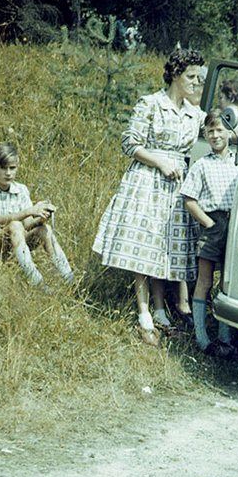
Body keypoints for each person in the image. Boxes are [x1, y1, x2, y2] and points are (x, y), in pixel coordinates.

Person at [92, 49, 206, 345]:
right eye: (191, 77)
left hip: (176, 187)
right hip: (148, 181)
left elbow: (220, 131)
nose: (196, 82)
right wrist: (160, 161)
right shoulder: (152, 104)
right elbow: (130, 143)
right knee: (144, 247)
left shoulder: (194, 112)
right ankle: (144, 314)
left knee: (165, 248)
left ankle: (161, 312)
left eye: (199, 78)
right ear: (176, 75)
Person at [0, 142, 73, 284]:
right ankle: (36, 281)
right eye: (3, 168)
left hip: (14, 240)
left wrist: (41, 217)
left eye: (12, 168)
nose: (8, 173)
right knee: (14, 225)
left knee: (45, 229)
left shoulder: (21, 189)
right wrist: (29, 211)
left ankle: (69, 279)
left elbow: (27, 224)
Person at [182, 108, 238, 357]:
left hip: (235, 223)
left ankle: (225, 337)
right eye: (210, 131)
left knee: (227, 282)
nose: (215, 135)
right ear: (204, 134)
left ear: (229, 133)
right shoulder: (202, 165)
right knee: (205, 281)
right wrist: (209, 224)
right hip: (212, 223)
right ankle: (202, 338)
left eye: (220, 130)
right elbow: (189, 200)